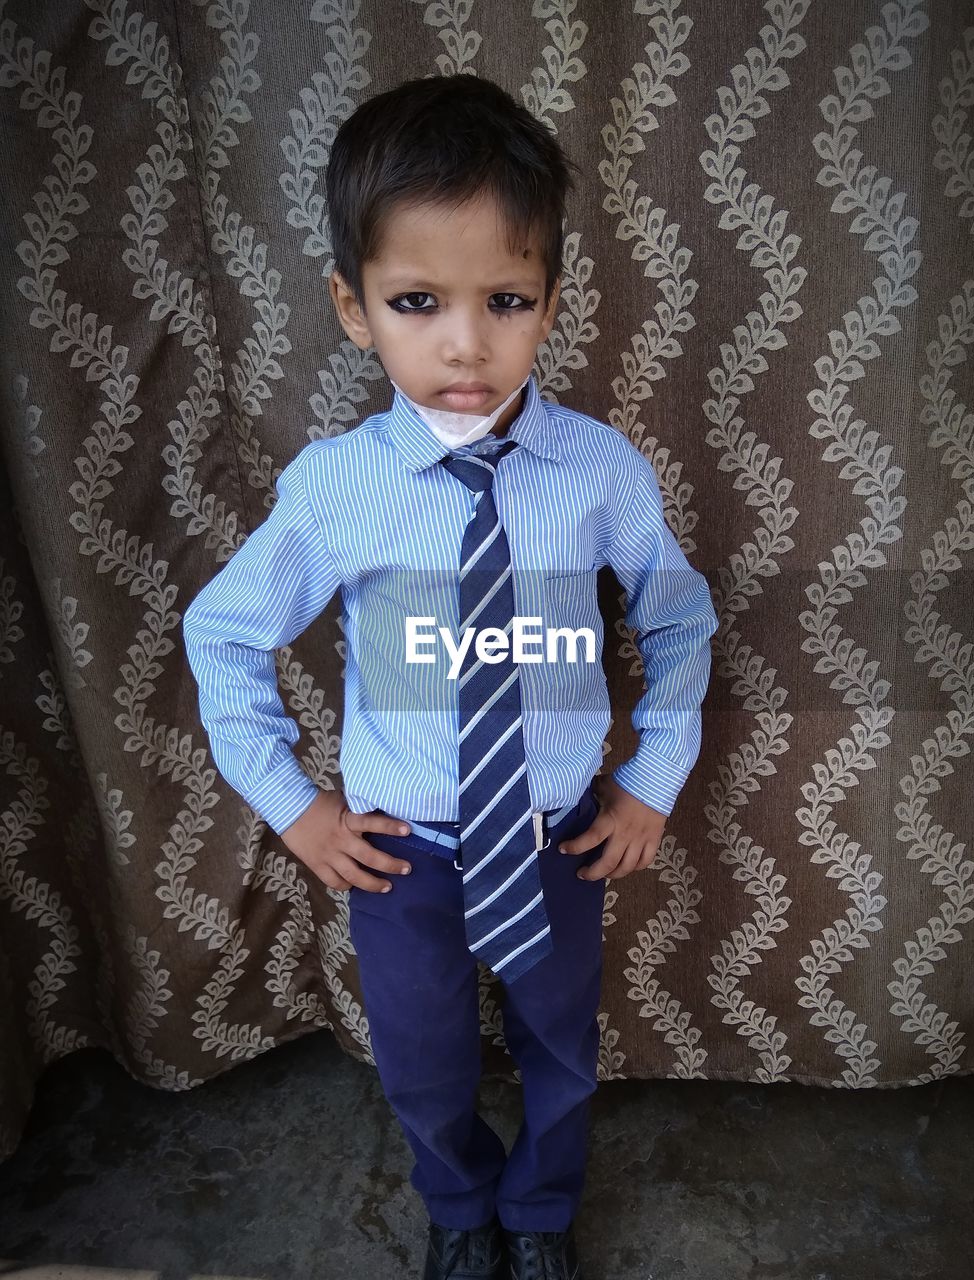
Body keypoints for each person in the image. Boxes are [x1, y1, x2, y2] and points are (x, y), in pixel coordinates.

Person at [182, 73, 719, 1280]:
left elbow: (679, 621)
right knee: (422, 1057)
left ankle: (538, 1214)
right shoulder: (336, 486)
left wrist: (652, 777)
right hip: (404, 848)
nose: (465, 342)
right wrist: (294, 803)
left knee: (559, 1046)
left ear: (549, 304)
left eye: (506, 299)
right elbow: (223, 631)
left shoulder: (597, 471)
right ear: (354, 304)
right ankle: (458, 1205)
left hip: (557, 836)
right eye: (417, 300)